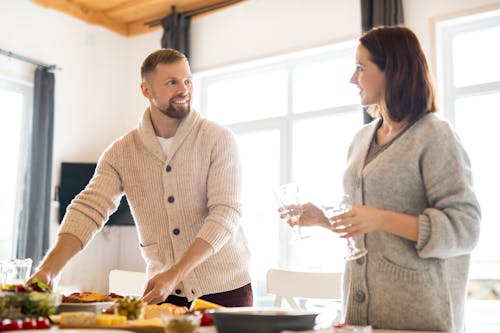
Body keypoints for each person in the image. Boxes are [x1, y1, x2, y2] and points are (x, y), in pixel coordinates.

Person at [30, 49, 253, 308]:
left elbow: (226, 213)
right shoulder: (122, 152)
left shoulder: (218, 139)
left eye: (187, 80)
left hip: (227, 292)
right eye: (172, 82)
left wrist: (174, 273)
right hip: (163, 293)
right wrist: (49, 271)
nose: (184, 89)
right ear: (146, 90)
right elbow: (88, 209)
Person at [293, 26, 480, 332]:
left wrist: (381, 218)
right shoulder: (361, 138)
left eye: (360, 67)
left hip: (419, 319)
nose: (352, 79)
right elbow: (366, 224)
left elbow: (466, 229)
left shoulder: (435, 135)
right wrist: (322, 218)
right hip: (361, 318)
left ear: (392, 71)